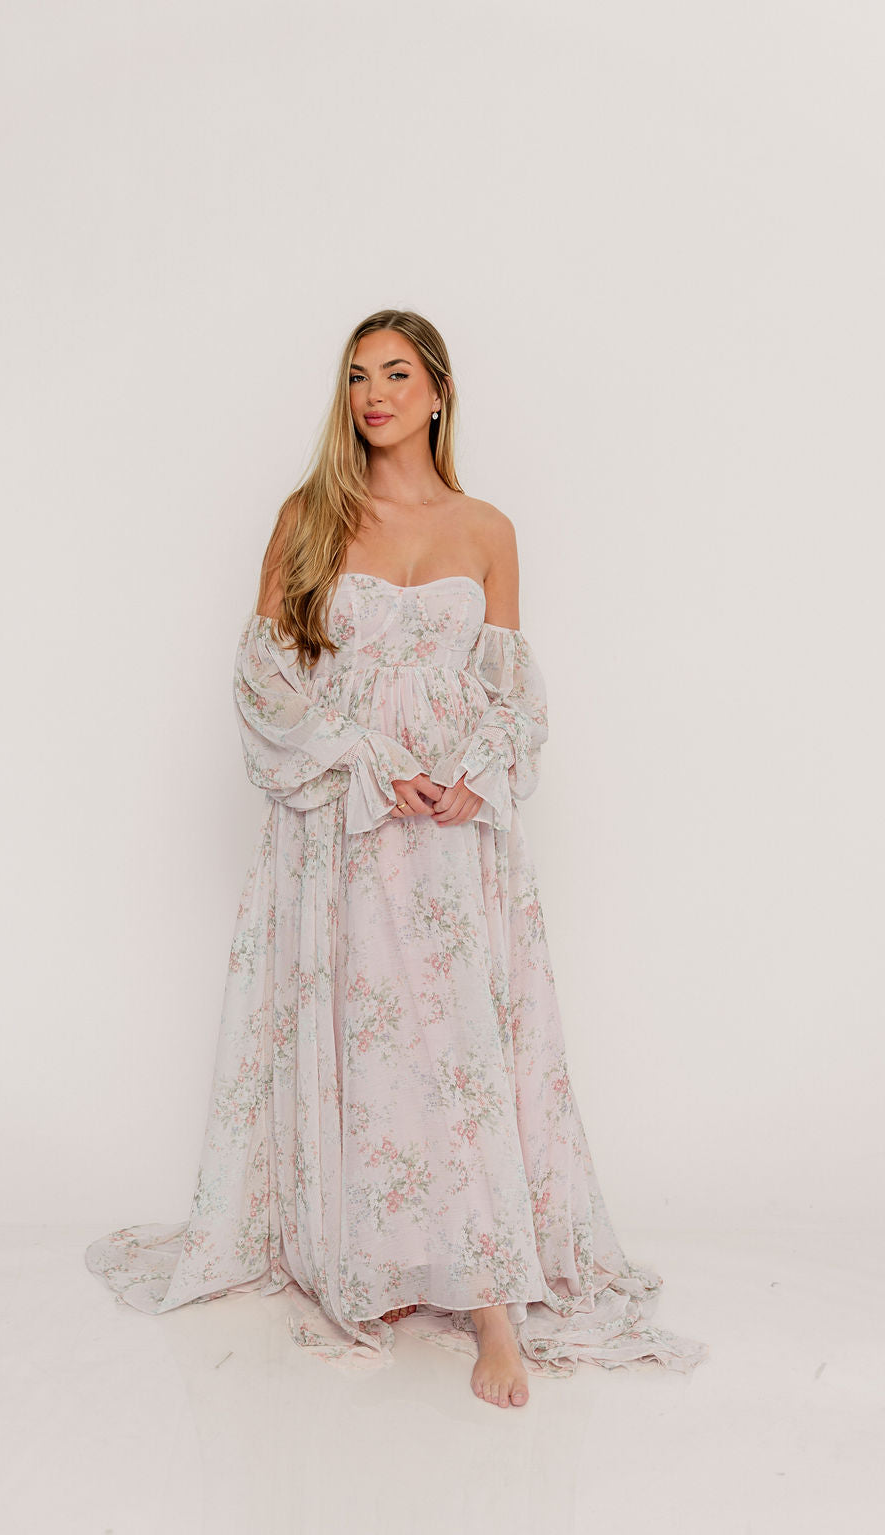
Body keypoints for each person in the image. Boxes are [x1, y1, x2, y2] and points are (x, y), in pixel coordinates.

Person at [85, 309, 709, 1408]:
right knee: (369, 1044)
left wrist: (477, 770)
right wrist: (365, 755)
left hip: (454, 838)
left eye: (396, 374)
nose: (374, 394)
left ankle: (494, 1307)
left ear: (437, 392)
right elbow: (263, 681)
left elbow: (514, 695)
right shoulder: (310, 516)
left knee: (464, 1047)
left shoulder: (488, 529)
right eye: (357, 376)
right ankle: (370, 1258)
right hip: (345, 826)